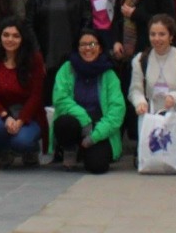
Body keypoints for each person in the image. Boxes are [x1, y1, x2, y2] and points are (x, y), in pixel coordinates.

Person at [129, 15, 176, 167]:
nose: (157, 39)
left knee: (172, 160)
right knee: (146, 162)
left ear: (171, 36)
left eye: (162, 34)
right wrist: (140, 102)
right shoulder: (141, 60)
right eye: (153, 34)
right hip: (153, 122)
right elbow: (135, 90)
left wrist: (175, 98)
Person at [50, 30, 125, 173]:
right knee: (64, 123)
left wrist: (95, 136)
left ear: (100, 48)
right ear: (77, 48)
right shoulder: (67, 68)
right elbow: (60, 99)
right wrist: (84, 120)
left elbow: (117, 110)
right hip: (76, 122)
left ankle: (86, 149)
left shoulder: (109, 74)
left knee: (97, 167)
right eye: (83, 44)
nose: (88, 48)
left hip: (100, 127)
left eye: (92, 44)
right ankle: (70, 149)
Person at [0, 18, 46, 168]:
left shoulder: (34, 59)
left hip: (30, 117)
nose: (10, 39)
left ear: (23, 38)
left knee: (22, 141)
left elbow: (36, 95)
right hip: (3, 115)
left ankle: (30, 149)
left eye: (16, 36)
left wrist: (21, 120)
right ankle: (6, 151)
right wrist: (6, 117)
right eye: (6, 35)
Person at [108, 0, 175, 89]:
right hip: (125, 55)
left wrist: (136, 14)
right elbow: (116, 19)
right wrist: (116, 41)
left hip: (149, 51)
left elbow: (168, 21)